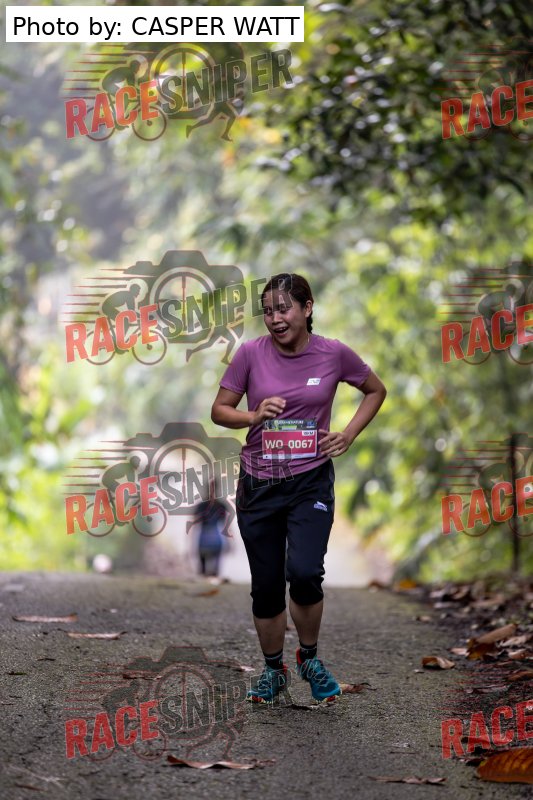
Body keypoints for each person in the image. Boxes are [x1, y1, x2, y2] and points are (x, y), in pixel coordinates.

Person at [211, 273, 386, 704]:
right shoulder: (250, 354)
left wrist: (348, 434)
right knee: (267, 585)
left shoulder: (333, 353)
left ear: (307, 308)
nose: (275, 318)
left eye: (284, 309)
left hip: (311, 480)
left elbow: (374, 390)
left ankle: (309, 658)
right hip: (260, 482)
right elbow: (219, 410)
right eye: (267, 311)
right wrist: (253, 416)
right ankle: (274, 670)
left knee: (306, 573)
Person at [191, 478, 228, 580]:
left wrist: (191, 544)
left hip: (206, 540)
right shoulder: (221, 505)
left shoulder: (201, 506)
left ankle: (208, 587)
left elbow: (193, 526)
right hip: (215, 540)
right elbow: (226, 527)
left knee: (205, 572)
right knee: (212, 572)